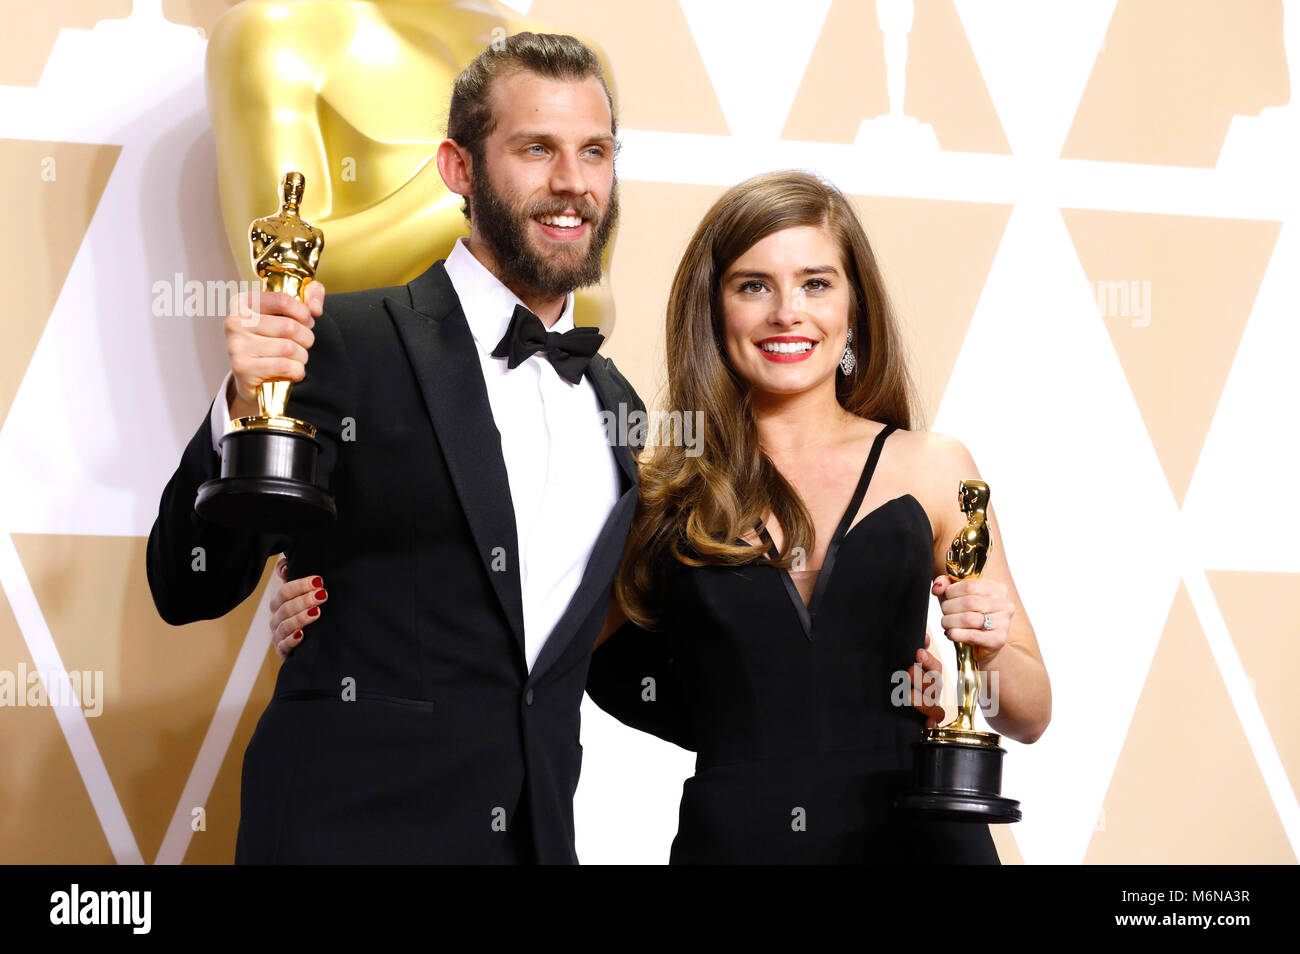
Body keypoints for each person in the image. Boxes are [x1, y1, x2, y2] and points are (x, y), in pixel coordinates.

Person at [271, 170, 1052, 863]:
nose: (788, 313)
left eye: (817, 283)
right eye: (754, 285)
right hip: (736, 842)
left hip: (920, 843)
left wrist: (981, 657)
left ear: (853, 307)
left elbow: (1028, 709)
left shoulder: (936, 466)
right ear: (714, 311)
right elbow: (534, 641)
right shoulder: (661, 482)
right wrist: (343, 623)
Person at [147, 33, 642, 864]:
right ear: (458, 168)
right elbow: (186, 581)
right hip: (347, 836)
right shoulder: (347, 340)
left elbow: (591, 653)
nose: (572, 183)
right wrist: (242, 405)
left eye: (595, 152)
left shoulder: (615, 403)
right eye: (536, 149)